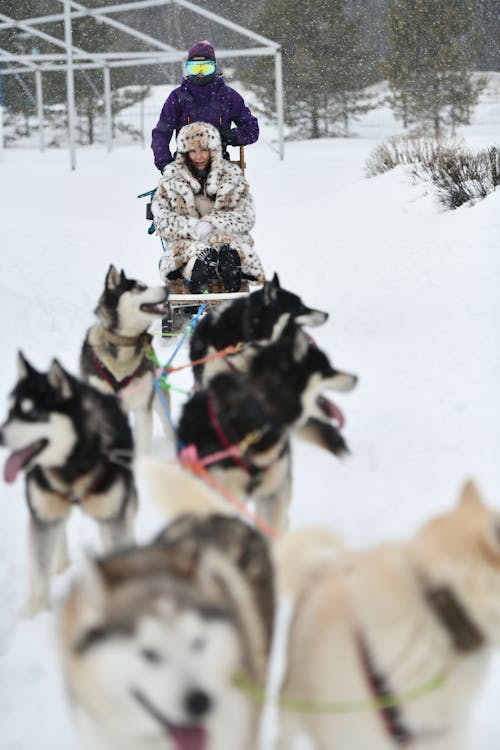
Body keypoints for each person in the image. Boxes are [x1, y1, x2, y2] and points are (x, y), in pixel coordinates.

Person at [151, 121, 264, 294]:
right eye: (193, 151)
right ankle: (199, 274)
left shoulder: (230, 175)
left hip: (225, 237)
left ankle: (229, 271)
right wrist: (193, 227)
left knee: (230, 250)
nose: (199, 156)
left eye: (203, 150)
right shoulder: (172, 179)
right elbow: (163, 220)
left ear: (213, 150)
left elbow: (245, 214)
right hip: (189, 240)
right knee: (194, 254)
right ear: (184, 153)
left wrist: (214, 224)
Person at [151, 40, 259, 172]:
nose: (200, 73)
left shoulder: (228, 96)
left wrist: (231, 136)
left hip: (220, 166)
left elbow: (252, 129)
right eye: (195, 68)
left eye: (205, 68)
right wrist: (165, 163)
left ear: (214, 67)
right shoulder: (178, 97)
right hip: (184, 166)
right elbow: (161, 133)